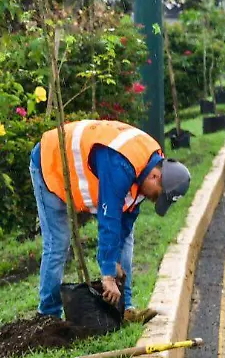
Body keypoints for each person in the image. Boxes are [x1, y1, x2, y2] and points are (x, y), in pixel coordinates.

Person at [31, 120, 193, 318]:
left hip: (76, 170)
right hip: (50, 162)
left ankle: (126, 308)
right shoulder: (121, 165)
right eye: (157, 196)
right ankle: (48, 314)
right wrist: (108, 274)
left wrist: (115, 260)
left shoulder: (148, 166)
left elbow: (124, 223)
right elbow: (109, 218)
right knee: (58, 243)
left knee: (126, 238)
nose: (153, 201)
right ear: (155, 176)